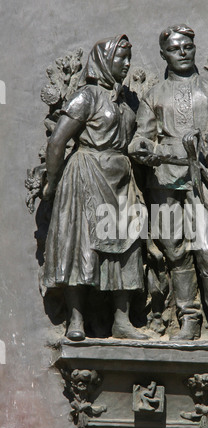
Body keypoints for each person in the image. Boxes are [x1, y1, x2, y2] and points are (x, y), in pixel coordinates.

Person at [128, 25, 208, 347]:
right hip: (165, 179)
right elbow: (142, 135)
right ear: (163, 55)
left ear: (194, 49)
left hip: (204, 181)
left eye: (187, 47)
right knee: (175, 252)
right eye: (174, 48)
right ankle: (189, 319)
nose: (182, 52)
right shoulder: (153, 94)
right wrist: (142, 147)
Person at [42, 35, 148, 342]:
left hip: (121, 179)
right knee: (81, 245)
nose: (127, 64)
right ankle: (76, 319)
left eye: (129, 58)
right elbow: (58, 141)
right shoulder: (86, 96)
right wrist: (51, 181)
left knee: (127, 245)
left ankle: (122, 320)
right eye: (121, 58)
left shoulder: (128, 101)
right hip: (86, 175)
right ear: (104, 60)